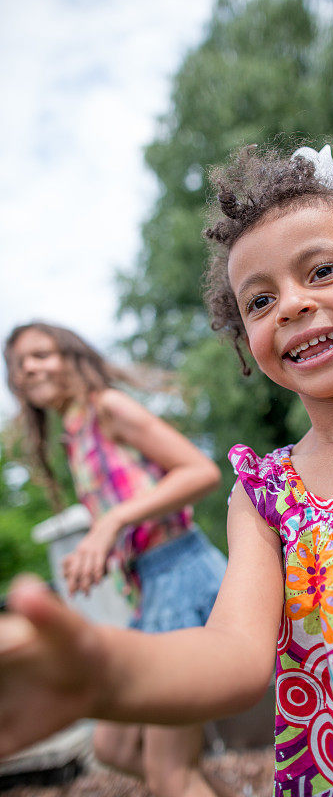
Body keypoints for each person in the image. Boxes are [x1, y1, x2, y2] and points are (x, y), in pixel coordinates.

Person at [1, 145, 333, 796]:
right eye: (258, 302)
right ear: (246, 344)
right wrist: (103, 676)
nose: (290, 305)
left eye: (323, 270)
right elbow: (231, 653)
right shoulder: (265, 494)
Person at [3, 322, 226, 797]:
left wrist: (110, 523)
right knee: (114, 746)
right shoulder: (75, 435)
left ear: (72, 356)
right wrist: (110, 547)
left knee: (170, 772)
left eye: (41, 354)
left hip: (181, 573)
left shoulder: (109, 407)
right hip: (150, 586)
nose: (28, 368)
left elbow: (200, 470)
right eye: (19, 364)